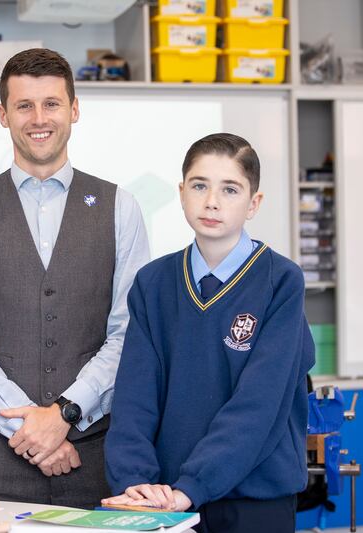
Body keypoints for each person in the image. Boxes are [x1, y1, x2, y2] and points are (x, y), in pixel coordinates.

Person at [0, 48, 150, 508]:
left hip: (94, 459)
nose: (39, 118)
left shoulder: (121, 208)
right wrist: (34, 432)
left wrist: (66, 415)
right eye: (24, 105)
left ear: (74, 109)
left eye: (52, 103)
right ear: (2, 114)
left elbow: (128, 334)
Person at [103, 133, 315, 533]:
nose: (212, 201)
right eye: (199, 186)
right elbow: (134, 399)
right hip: (164, 504)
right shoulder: (153, 283)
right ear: (182, 193)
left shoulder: (281, 282)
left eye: (230, 189)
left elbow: (258, 406)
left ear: (254, 203)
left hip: (253, 501)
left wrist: (192, 487)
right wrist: (136, 483)